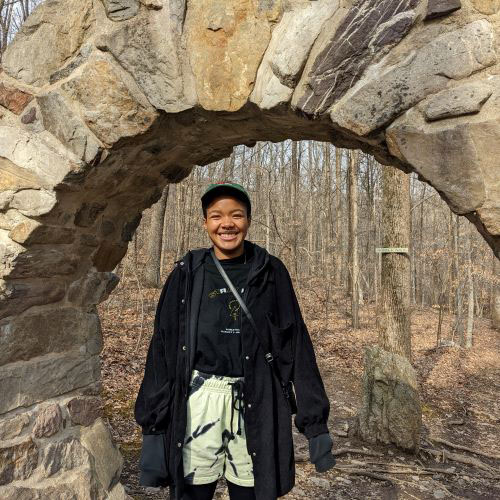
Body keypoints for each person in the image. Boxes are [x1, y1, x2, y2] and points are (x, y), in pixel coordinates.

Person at [135, 182, 336, 500]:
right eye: (216, 216)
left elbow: (295, 344)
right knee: (192, 492)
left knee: (252, 492)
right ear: (205, 223)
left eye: (236, 215)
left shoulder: (271, 272)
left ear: (248, 221)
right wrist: (153, 425)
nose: (226, 223)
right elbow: (162, 349)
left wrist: (315, 423)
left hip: (254, 398)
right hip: (199, 401)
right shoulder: (188, 273)